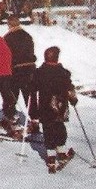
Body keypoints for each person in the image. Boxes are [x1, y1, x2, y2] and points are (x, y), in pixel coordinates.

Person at [29, 46, 78, 174]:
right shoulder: (64, 73)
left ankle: (50, 156)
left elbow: (32, 89)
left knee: (48, 129)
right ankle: (61, 153)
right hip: (60, 107)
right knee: (59, 127)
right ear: (57, 58)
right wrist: (73, 99)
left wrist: (33, 109)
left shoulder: (39, 73)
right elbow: (70, 89)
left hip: (45, 107)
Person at [3, 15, 37, 133]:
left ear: (9, 25)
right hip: (30, 69)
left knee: (12, 96)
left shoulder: (7, 37)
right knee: (30, 97)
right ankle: (35, 121)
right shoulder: (28, 36)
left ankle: (11, 119)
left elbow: (6, 55)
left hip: (16, 70)